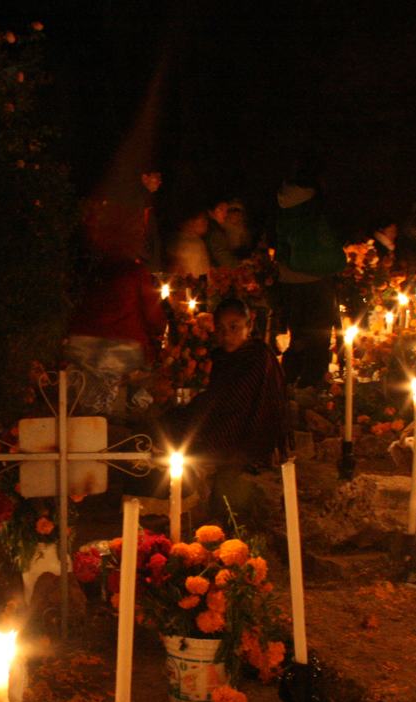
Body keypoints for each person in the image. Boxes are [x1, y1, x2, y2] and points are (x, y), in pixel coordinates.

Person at [161, 298, 291, 523]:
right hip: (226, 418)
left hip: (248, 430)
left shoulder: (258, 356)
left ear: (248, 326)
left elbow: (234, 400)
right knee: (170, 427)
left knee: (181, 432)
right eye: (221, 329)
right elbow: (218, 395)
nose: (227, 335)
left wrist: (193, 413)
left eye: (234, 327)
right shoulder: (221, 357)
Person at [64, 254, 167, 418]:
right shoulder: (134, 272)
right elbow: (153, 316)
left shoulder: (88, 267)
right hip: (122, 345)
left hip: (83, 342)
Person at [273, 159, 345, 390]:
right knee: (319, 337)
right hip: (316, 280)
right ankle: (313, 388)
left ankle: (287, 384)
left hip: (289, 280)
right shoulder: (314, 205)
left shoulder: (283, 202)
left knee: (298, 337)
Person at [166, 210, 211, 277]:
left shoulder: (197, 241)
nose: (206, 222)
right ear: (190, 222)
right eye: (203, 219)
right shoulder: (181, 242)